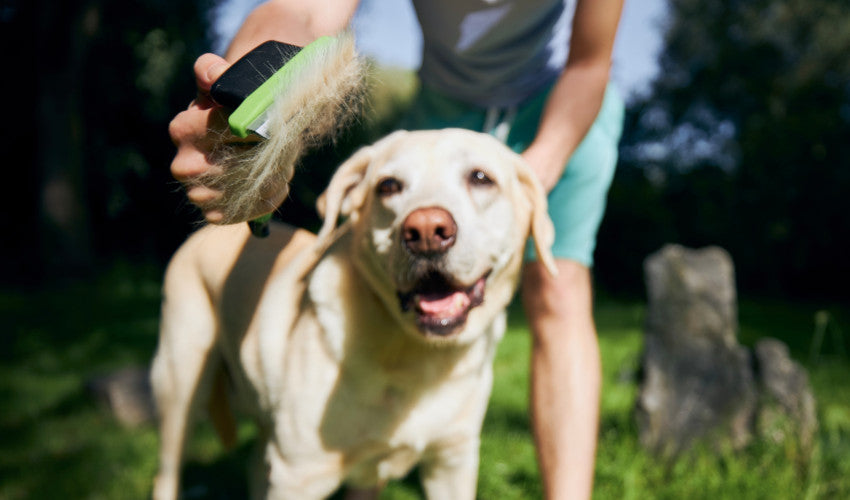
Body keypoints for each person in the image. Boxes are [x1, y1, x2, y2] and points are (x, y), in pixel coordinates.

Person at [169, 1, 625, 498]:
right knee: (389, 278)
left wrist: (528, 180)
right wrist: (242, 105)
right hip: (443, 105)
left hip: (560, 101)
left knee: (560, 294)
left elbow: (589, 64)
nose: (427, 226)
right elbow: (300, 10)